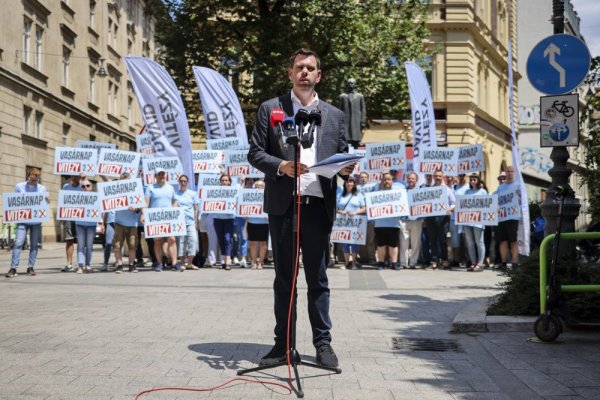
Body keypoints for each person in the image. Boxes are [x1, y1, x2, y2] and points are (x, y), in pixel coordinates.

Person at [248, 48, 353, 368]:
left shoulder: (335, 115)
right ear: (290, 73)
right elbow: (254, 152)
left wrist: (348, 169)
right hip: (283, 206)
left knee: (318, 278)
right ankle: (283, 345)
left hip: (318, 207)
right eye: (299, 67)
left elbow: (344, 153)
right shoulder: (271, 109)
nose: (305, 72)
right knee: (285, 279)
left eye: (310, 68)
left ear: (318, 75)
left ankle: (323, 344)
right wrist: (281, 165)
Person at [5, 168, 49, 278]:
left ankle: (30, 267)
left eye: (36, 179)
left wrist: (47, 199)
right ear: (28, 176)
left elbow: (46, 204)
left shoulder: (42, 188)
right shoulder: (19, 186)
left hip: (36, 221)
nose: (34, 181)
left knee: (34, 245)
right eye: (32, 178)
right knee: (18, 243)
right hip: (22, 221)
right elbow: (13, 202)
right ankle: (13, 268)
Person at [143, 168, 178, 271]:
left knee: (172, 239)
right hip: (155, 218)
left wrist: (175, 212)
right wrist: (143, 214)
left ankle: (174, 263)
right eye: (159, 174)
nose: (162, 176)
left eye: (163, 174)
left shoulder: (170, 188)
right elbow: (146, 202)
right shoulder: (150, 188)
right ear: (155, 176)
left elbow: (174, 201)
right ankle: (159, 263)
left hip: (168, 218)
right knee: (157, 241)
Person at [424, 169, 455, 269]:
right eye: (436, 176)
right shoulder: (429, 190)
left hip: (443, 218)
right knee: (432, 240)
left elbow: (453, 203)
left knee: (443, 240)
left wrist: (450, 208)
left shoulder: (447, 189)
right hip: (431, 218)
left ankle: (445, 261)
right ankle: (434, 261)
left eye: (439, 176)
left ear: (442, 177)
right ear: (433, 177)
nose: (437, 178)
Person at [112, 173, 141, 274]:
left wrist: (136, 209)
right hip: (119, 222)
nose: (124, 181)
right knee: (117, 245)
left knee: (132, 245)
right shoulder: (115, 191)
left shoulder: (135, 191)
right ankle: (119, 265)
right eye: (122, 179)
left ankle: (131, 265)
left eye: (126, 179)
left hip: (132, 223)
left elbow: (139, 207)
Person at [373, 172, 401, 271]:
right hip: (380, 224)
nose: (386, 181)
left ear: (392, 181)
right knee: (381, 245)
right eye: (385, 179)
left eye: (389, 179)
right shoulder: (376, 191)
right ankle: (381, 263)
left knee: (393, 245)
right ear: (382, 181)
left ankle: (394, 263)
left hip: (394, 224)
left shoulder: (397, 192)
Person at [336, 176, 366, 269]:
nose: (350, 184)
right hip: (343, 222)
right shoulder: (340, 195)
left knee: (354, 243)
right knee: (345, 244)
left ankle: (353, 263)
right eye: (348, 182)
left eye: (352, 182)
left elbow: (364, 208)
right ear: (345, 184)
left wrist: (355, 212)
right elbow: (335, 208)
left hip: (355, 223)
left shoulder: (359, 195)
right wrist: (341, 212)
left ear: (354, 184)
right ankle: (346, 263)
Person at [494, 166, 520, 269]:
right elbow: (493, 199)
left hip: (513, 217)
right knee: (502, 241)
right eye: (508, 172)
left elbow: (523, 200)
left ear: (514, 173)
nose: (509, 173)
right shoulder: (501, 187)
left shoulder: (518, 186)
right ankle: (503, 263)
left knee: (513, 240)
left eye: (511, 172)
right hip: (502, 217)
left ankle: (514, 262)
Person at [463, 174, 488, 272]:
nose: (473, 181)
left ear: (478, 181)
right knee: (470, 243)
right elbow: (462, 204)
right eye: (471, 180)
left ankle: (480, 263)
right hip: (467, 220)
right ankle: (473, 262)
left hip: (479, 220)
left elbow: (487, 204)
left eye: (474, 179)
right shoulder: (467, 192)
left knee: (479, 242)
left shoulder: (483, 192)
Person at [175, 174, 200, 270]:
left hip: (190, 221)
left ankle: (189, 263)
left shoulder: (192, 194)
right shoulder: (175, 194)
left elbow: (196, 208)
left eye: (185, 181)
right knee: (181, 242)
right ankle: (182, 263)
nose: (183, 182)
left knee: (193, 240)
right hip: (180, 222)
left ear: (188, 182)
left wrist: (196, 221)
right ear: (179, 182)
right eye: (181, 181)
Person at [212, 174, 236, 270]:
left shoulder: (234, 191)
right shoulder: (215, 191)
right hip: (217, 218)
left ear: (229, 182)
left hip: (229, 219)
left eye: (226, 180)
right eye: (223, 180)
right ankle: (223, 261)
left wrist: (242, 181)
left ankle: (228, 261)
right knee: (221, 240)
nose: (224, 182)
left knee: (227, 239)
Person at [400, 172, 424, 269]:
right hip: (404, 220)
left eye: (412, 178)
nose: (410, 180)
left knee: (415, 242)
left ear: (416, 180)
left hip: (417, 220)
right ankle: (403, 263)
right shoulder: (402, 192)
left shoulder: (421, 192)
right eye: (409, 178)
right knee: (403, 242)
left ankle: (413, 262)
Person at [61, 173, 84, 272]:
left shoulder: (83, 187)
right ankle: (69, 264)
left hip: (80, 217)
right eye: (73, 175)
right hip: (68, 217)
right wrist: (62, 217)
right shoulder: (66, 187)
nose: (75, 177)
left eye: (77, 176)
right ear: (70, 176)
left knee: (80, 241)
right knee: (69, 240)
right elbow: (62, 202)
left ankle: (80, 264)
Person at [75, 178, 97, 274]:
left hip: (91, 225)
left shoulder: (96, 197)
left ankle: (88, 265)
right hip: (79, 224)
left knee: (89, 246)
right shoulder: (76, 197)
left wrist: (102, 223)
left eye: (88, 186)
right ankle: (80, 266)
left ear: (91, 187)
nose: (85, 188)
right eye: (83, 186)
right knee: (80, 246)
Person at [246, 180, 269, 270]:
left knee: (263, 243)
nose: (258, 187)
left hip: (264, 222)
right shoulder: (249, 195)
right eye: (257, 186)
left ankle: (261, 262)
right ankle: (254, 262)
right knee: (252, 243)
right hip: (252, 221)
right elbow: (244, 205)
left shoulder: (268, 195)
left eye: (261, 186)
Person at [338, 77, 367, 148]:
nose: (350, 84)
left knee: (355, 141)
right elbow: (339, 110)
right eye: (348, 83)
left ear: (355, 84)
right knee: (345, 141)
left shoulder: (360, 96)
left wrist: (363, 121)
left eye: (352, 83)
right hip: (345, 123)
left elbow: (363, 109)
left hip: (356, 123)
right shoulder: (342, 96)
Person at [450, 174, 469, 267]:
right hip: (454, 217)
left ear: (467, 176)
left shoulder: (469, 188)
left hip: (466, 218)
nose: (461, 177)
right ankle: (456, 259)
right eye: (460, 175)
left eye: (463, 176)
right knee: (455, 240)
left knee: (467, 240)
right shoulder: (454, 188)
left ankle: (468, 259)